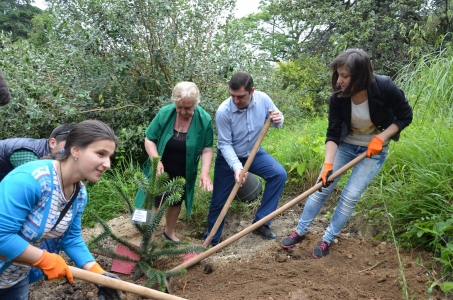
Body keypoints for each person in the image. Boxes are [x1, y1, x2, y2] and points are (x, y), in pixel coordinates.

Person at [280, 49, 413, 258]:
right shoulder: (338, 98)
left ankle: (327, 239)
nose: (339, 80)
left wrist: (380, 138)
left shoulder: (385, 87)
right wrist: (327, 166)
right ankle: (300, 231)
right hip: (346, 146)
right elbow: (333, 133)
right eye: (338, 74)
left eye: (345, 76)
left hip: (372, 152)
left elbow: (405, 116)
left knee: (350, 196)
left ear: (360, 76)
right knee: (321, 187)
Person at [0, 120, 122, 300]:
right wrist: (45, 260)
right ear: (76, 150)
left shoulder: (79, 193)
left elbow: (71, 238)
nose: (107, 164)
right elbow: (2, 236)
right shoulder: (32, 180)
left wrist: (99, 275)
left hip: (14, 278)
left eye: (109, 156)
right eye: (100, 153)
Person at [203, 71, 287, 246]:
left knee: (279, 174)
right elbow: (225, 144)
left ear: (252, 91)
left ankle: (261, 223)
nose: (236, 100)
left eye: (240, 96)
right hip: (228, 158)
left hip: (253, 153)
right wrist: (237, 167)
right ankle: (211, 239)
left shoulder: (263, 99)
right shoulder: (223, 111)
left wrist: (279, 119)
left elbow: (277, 119)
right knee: (220, 200)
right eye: (232, 96)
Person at [135, 81, 214, 242]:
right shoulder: (165, 113)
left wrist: (205, 173)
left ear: (196, 104)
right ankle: (145, 236)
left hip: (183, 169)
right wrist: (156, 160)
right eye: (179, 107)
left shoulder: (204, 119)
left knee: (176, 200)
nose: (183, 111)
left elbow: (207, 149)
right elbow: (149, 139)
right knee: (152, 200)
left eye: (188, 108)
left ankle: (168, 233)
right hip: (160, 166)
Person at [0, 124, 72, 182]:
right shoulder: (29, 156)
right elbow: (28, 184)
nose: (72, 151)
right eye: (68, 146)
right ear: (52, 143)